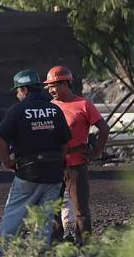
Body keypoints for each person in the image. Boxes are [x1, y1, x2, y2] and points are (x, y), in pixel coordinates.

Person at [0, 69, 72, 257]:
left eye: (17, 91)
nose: (17, 95)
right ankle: (39, 253)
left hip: (28, 171)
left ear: (24, 90)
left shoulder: (18, 110)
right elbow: (65, 143)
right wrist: (57, 162)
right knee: (45, 216)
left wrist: (6, 162)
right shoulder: (54, 110)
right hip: (53, 173)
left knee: (15, 212)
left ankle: (4, 253)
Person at [44, 66, 109, 245]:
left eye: (54, 86)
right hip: (55, 165)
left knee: (81, 208)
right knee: (54, 208)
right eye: (48, 87)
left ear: (65, 84)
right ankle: (57, 245)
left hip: (76, 165)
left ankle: (84, 245)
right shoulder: (50, 107)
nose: (50, 90)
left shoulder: (84, 105)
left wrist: (96, 152)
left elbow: (104, 129)